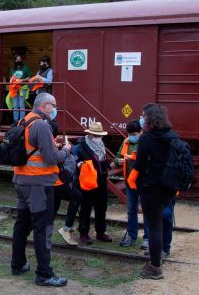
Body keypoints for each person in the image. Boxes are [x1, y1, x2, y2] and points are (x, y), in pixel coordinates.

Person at [11, 92, 71, 287]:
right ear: (45, 106)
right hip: (38, 184)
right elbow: (51, 158)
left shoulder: (23, 121)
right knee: (42, 228)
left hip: (20, 180)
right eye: (53, 105)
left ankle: (17, 264)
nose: (55, 110)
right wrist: (66, 151)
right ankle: (44, 274)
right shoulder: (42, 125)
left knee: (22, 224)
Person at [127, 103, 178, 280]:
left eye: (143, 115)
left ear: (149, 118)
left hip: (151, 188)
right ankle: (163, 252)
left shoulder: (147, 138)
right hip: (169, 188)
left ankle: (155, 267)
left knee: (154, 226)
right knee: (162, 222)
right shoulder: (171, 136)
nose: (141, 118)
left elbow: (140, 165)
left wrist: (133, 164)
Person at [74, 122, 112, 245]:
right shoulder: (81, 146)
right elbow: (74, 161)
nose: (97, 137)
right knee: (86, 207)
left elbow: (103, 161)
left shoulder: (101, 145)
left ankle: (100, 232)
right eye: (95, 135)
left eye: (99, 135)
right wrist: (79, 165)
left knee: (102, 207)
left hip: (101, 180)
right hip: (88, 182)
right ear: (90, 134)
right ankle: (83, 233)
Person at [113, 119, 148, 248]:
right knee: (131, 210)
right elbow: (117, 156)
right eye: (129, 134)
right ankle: (132, 236)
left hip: (143, 182)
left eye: (134, 134)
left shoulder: (146, 143)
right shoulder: (126, 142)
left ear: (141, 132)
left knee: (146, 211)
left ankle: (147, 239)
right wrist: (118, 161)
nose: (131, 136)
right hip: (129, 181)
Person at [8, 54, 31, 124]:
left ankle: (21, 122)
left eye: (19, 59)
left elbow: (29, 77)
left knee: (21, 105)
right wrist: (12, 79)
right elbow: (10, 77)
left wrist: (22, 80)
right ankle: (15, 122)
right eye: (17, 59)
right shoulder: (12, 69)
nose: (18, 61)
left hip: (23, 88)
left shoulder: (25, 68)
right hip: (14, 88)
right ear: (14, 60)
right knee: (15, 106)